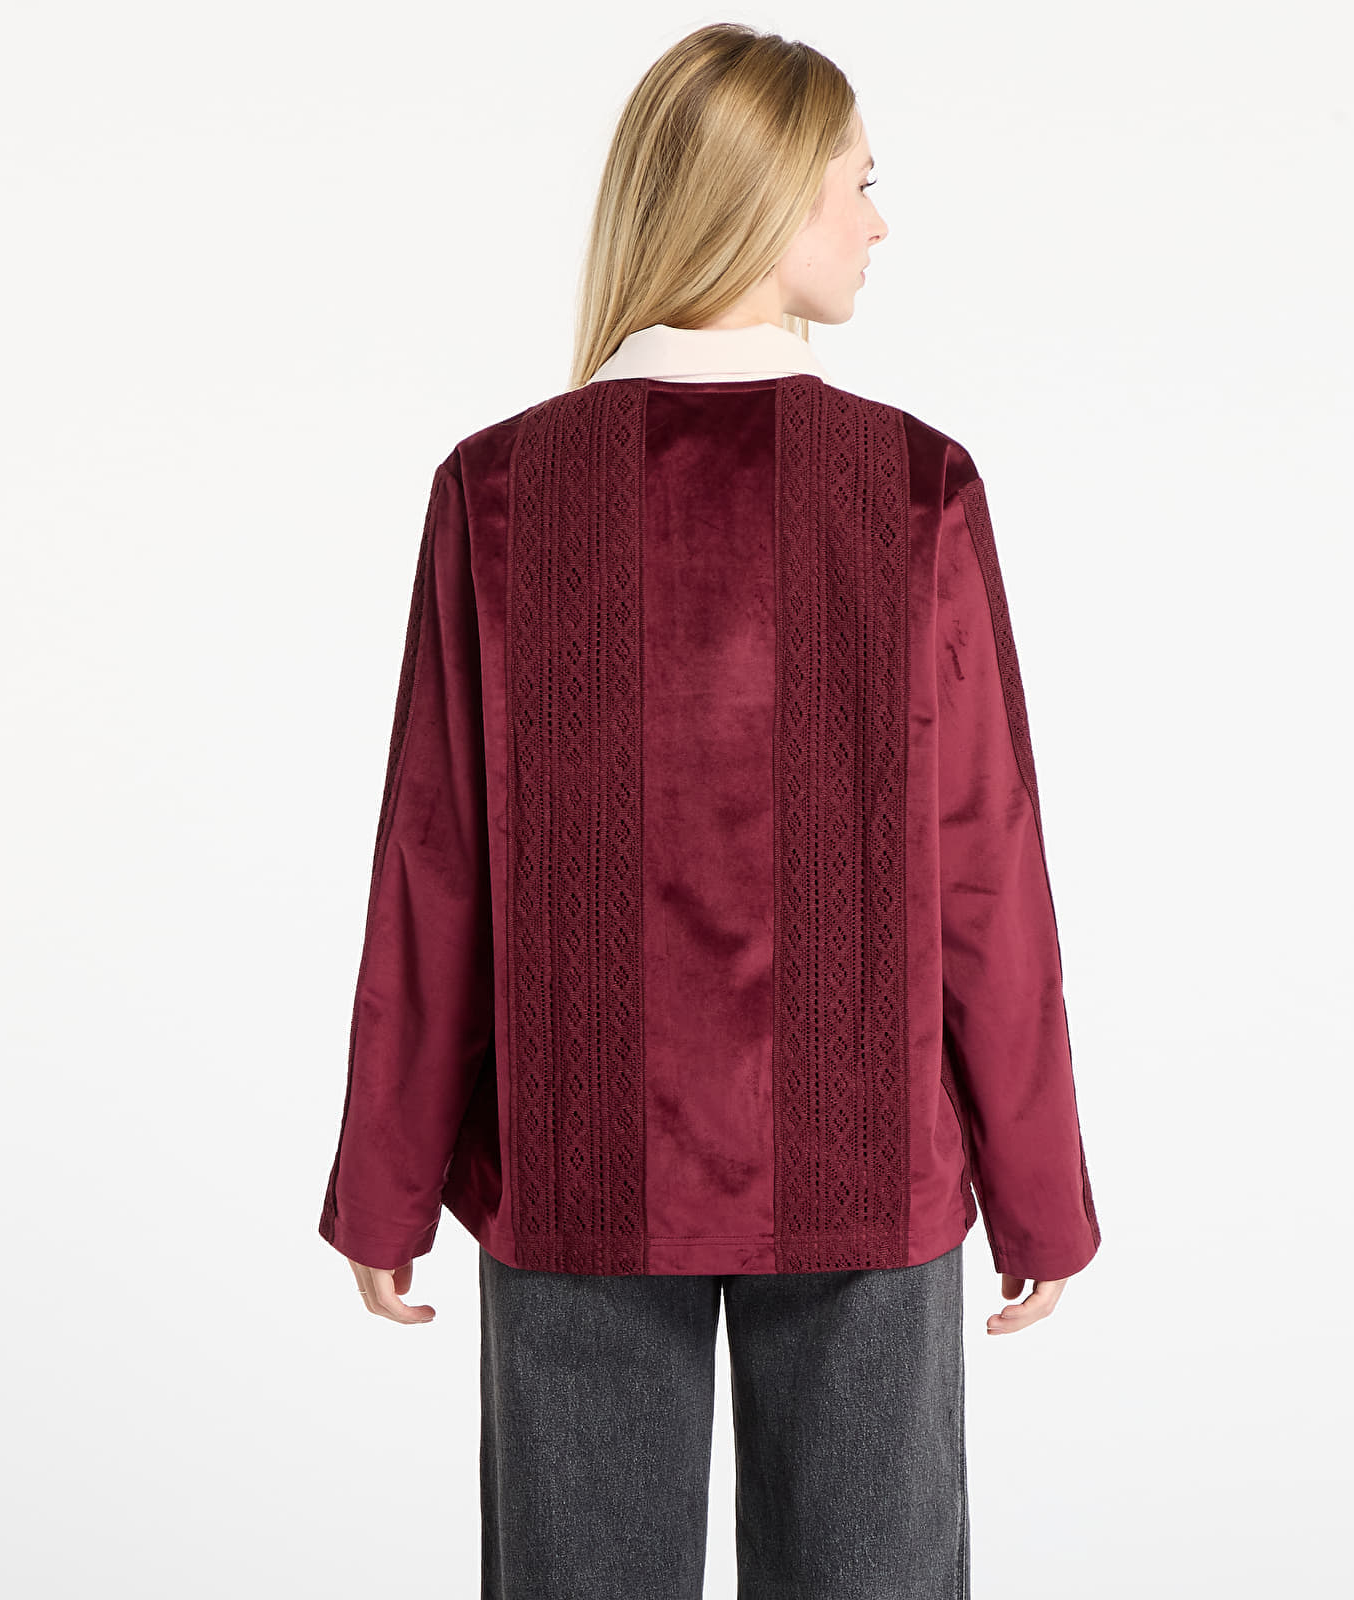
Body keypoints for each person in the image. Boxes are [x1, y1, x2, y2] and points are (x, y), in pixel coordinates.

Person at [318, 22, 1101, 1598]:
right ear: (762, 194)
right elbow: (986, 867)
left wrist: (388, 1180)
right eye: (858, 184)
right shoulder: (912, 487)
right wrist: (1039, 1194)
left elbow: (434, 867)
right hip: (860, 1163)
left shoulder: (501, 489)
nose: (880, 223)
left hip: (579, 1160)